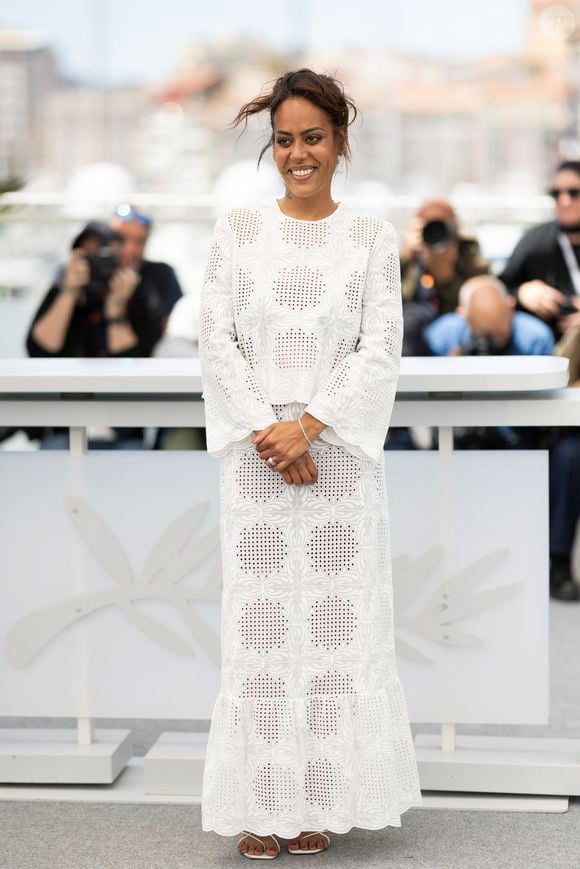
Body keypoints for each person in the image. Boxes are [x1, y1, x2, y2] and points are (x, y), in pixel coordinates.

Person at [198, 68, 422, 859]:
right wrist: (271, 429)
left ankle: (318, 798)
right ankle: (263, 803)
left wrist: (314, 425)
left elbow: (379, 347)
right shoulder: (236, 231)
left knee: (332, 630)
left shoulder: (369, 236)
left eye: (313, 137)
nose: (298, 153)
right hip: (259, 466)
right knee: (259, 633)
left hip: (340, 467)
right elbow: (217, 340)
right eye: (285, 139)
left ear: (341, 141)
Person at [26, 205, 183, 449]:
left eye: (138, 241)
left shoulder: (148, 283)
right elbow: (39, 349)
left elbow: (138, 360)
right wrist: (70, 291)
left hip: (124, 426)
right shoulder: (69, 279)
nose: (128, 249)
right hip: (65, 421)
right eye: (119, 240)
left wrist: (116, 310)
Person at [499, 161, 580, 601]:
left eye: (574, 192)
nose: (564, 201)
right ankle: (552, 562)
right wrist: (521, 295)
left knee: (571, 455)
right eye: (557, 193)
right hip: (547, 384)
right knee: (557, 454)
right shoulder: (537, 242)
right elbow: (492, 294)